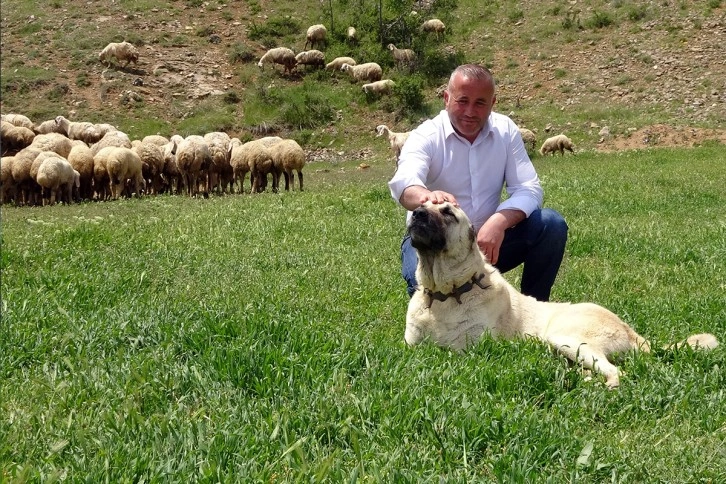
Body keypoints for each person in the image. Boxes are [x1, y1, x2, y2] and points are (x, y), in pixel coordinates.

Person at [388, 64, 568, 301]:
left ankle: (532, 311)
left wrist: (499, 222)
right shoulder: (426, 135)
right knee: (422, 287)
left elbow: (528, 188)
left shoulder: (506, 131)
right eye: (462, 101)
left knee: (551, 225)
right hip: (435, 242)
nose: (470, 111)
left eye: (480, 103)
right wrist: (426, 197)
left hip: (489, 244)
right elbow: (404, 182)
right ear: (446, 98)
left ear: (493, 104)